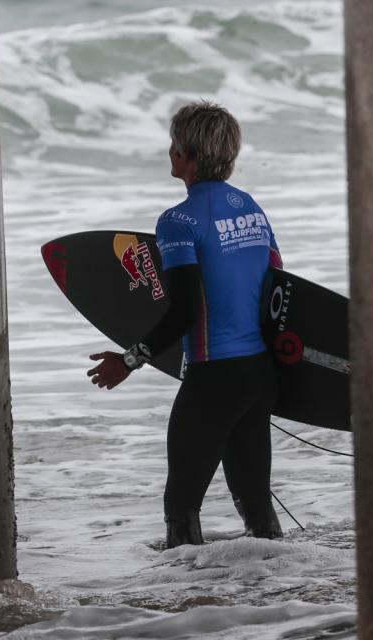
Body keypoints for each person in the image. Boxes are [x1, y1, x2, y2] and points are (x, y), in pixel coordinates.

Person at [87, 101, 283, 547]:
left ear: (188, 155)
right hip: (259, 375)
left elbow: (184, 313)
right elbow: (276, 280)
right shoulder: (251, 209)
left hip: (214, 378)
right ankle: (280, 599)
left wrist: (129, 360)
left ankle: (184, 608)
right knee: (256, 505)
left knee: (181, 508)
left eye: (175, 143)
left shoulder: (178, 222)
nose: (170, 150)